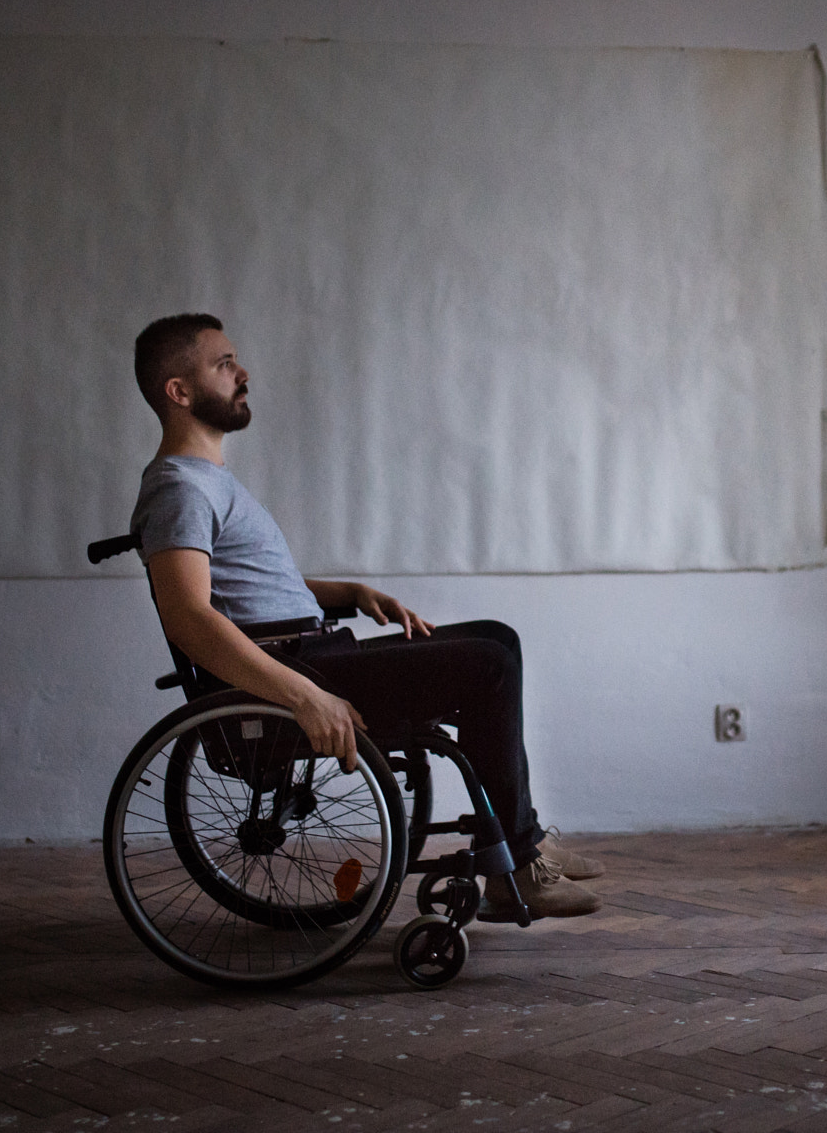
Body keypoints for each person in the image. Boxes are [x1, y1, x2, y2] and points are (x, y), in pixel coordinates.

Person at [128, 312, 601, 920]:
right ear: (180, 391)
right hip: (300, 673)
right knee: (488, 665)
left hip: (315, 651)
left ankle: (520, 838)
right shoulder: (181, 490)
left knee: (495, 640)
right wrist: (303, 698)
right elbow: (189, 619)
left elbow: (255, 592)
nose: (243, 374)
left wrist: (349, 592)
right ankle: (515, 867)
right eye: (224, 365)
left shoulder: (205, 480)